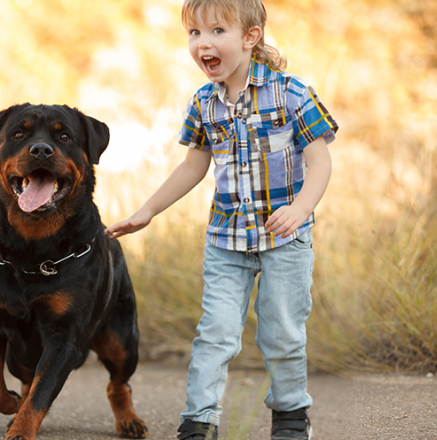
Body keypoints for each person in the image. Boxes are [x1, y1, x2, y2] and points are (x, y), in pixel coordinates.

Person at [106, 0, 338, 438]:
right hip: (226, 241)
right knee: (214, 333)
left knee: (282, 334)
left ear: (250, 38)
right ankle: (199, 422)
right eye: (194, 34)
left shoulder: (290, 92)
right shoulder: (203, 103)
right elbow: (194, 166)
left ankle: (290, 416)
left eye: (216, 31)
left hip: (285, 241)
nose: (202, 43)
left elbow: (320, 161)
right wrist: (147, 211)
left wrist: (301, 208)